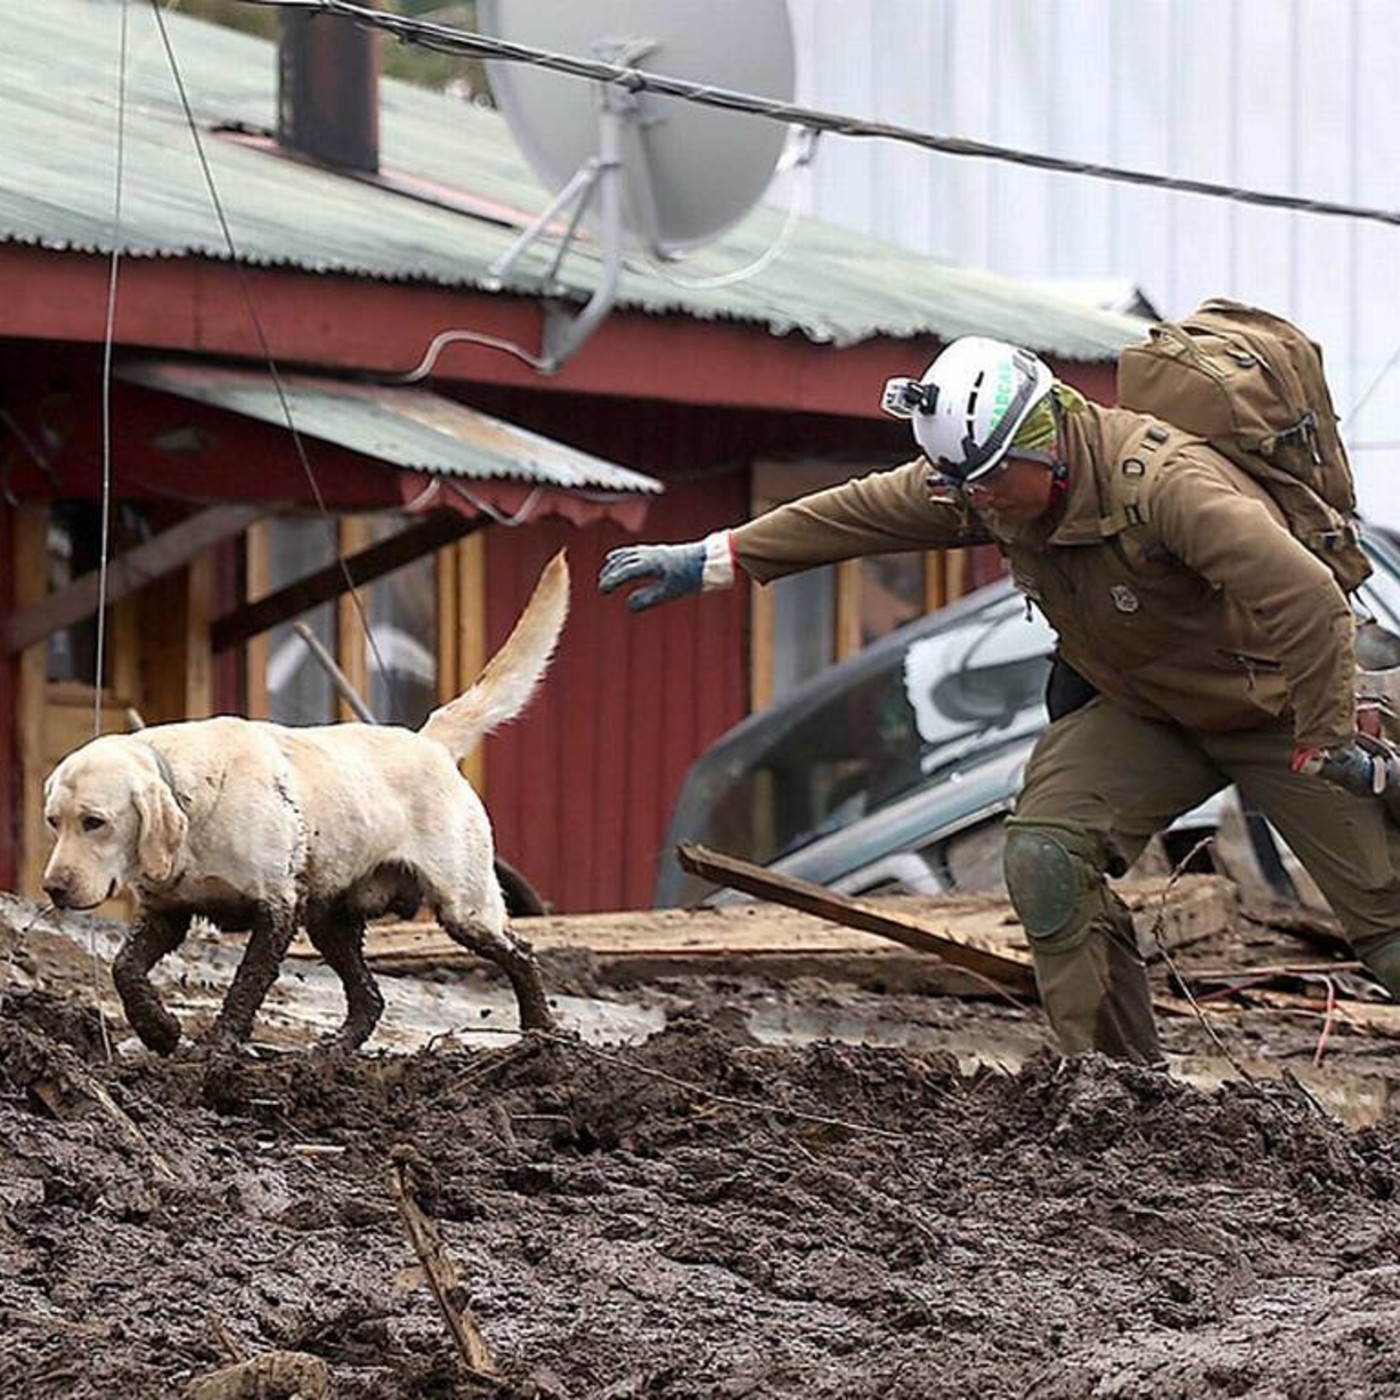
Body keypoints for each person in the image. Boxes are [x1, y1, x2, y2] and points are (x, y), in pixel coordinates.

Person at [599, 335, 1400, 1065]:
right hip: (1150, 713)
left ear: (1041, 445)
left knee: (1384, 919)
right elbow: (864, 511)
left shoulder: (1165, 485)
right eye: (956, 485)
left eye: (982, 484)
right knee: (1048, 856)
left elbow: (1308, 598)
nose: (969, 503)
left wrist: (1329, 733)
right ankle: (1123, 1094)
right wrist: (714, 557)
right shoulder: (987, 482)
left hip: (1277, 709)